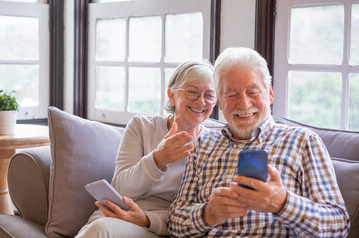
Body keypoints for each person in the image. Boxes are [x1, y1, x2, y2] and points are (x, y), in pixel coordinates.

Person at [168, 47, 350, 237]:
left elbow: (338, 227)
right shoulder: (202, 146)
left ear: (270, 93)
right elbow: (174, 224)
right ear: (220, 103)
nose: (244, 104)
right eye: (231, 95)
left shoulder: (303, 141)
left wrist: (283, 203)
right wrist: (207, 214)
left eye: (252, 92)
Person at [76, 60, 216, 237]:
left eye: (209, 95)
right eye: (192, 92)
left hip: (157, 227)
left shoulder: (214, 144)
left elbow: (199, 216)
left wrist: (146, 219)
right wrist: (158, 158)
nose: (201, 101)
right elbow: (120, 189)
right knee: (101, 227)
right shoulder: (141, 126)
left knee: (102, 229)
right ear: (171, 95)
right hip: (115, 216)